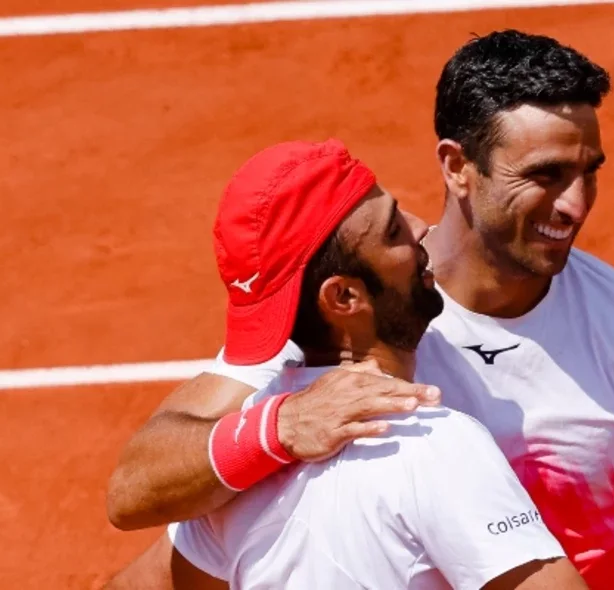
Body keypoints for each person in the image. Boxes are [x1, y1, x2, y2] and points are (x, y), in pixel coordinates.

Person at [106, 30, 614, 589]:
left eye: (588, 170)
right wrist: (281, 427)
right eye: (545, 175)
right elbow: (138, 496)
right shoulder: (332, 355)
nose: (575, 203)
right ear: (457, 166)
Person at [167, 137, 580, 589]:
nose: (420, 227)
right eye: (392, 232)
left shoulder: (238, 464)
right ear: (345, 297)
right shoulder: (432, 444)